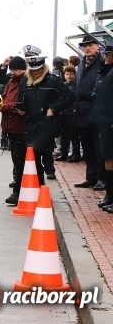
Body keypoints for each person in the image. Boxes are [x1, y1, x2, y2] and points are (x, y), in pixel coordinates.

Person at [17, 52, 72, 185]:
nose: (36, 73)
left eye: (39, 70)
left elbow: (69, 96)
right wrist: (20, 108)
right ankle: (38, 185)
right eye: (33, 70)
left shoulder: (53, 81)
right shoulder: (25, 82)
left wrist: (53, 108)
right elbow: (21, 100)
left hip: (48, 124)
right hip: (31, 124)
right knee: (33, 156)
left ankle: (43, 179)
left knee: (38, 151)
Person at [0, 55, 28, 205]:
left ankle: (19, 192)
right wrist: (0, 106)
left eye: (14, 69)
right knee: (17, 159)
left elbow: (20, 106)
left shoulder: (24, 83)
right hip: (11, 126)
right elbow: (6, 98)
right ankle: (19, 186)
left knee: (21, 160)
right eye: (11, 69)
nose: (12, 72)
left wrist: (5, 107)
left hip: (20, 128)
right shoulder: (11, 82)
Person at [73, 34, 105, 190]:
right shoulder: (81, 64)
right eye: (85, 46)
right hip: (81, 112)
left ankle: (101, 178)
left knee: (99, 148)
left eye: (91, 45)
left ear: (98, 46)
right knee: (87, 148)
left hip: (96, 111)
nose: (87, 48)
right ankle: (91, 177)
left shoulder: (103, 63)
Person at [91, 42, 113, 211]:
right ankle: (110, 196)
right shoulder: (105, 72)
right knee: (107, 159)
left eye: (108, 54)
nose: (105, 56)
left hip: (109, 121)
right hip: (104, 122)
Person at [54, 65, 77, 162]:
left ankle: (76, 154)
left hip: (72, 113)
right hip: (63, 113)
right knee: (63, 135)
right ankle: (63, 153)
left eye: (71, 74)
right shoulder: (63, 85)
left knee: (73, 135)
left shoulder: (76, 85)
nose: (69, 76)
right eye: (67, 74)